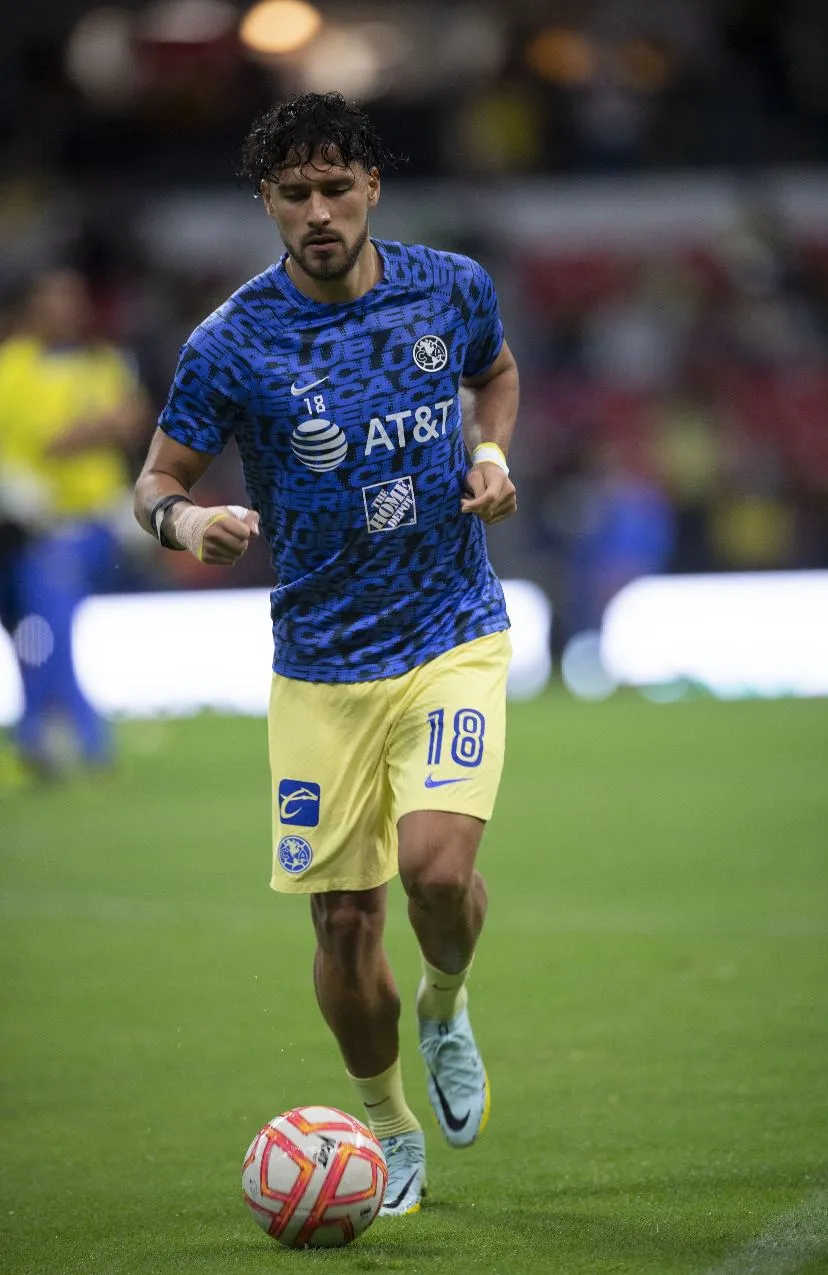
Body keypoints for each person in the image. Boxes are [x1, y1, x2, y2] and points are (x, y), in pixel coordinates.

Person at [134, 92, 519, 1216]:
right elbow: (157, 481)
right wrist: (188, 524)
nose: (317, 210)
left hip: (452, 630)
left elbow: (492, 372)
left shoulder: (449, 286)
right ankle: (387, 1123)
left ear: (370, 189)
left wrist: (491, 452)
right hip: (319, 667)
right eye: (292, 193)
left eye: (334, 187)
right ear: (265, 202)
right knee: (343, 921)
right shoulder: (231, 342)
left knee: (437, 873)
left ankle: (446, 1001)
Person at [0, 268, 148, 775]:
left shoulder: (101, 361)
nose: (65, 309)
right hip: (17, 527)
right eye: (54, 299)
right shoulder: (11, 367)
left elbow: (132, 421)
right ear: (32, 307)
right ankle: (39, 734)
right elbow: (59, 440)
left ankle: (80, 736)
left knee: (48, 601)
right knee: (23, 623)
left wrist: (73, 439)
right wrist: (93, 429)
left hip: (87, 522)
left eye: (72, 299)